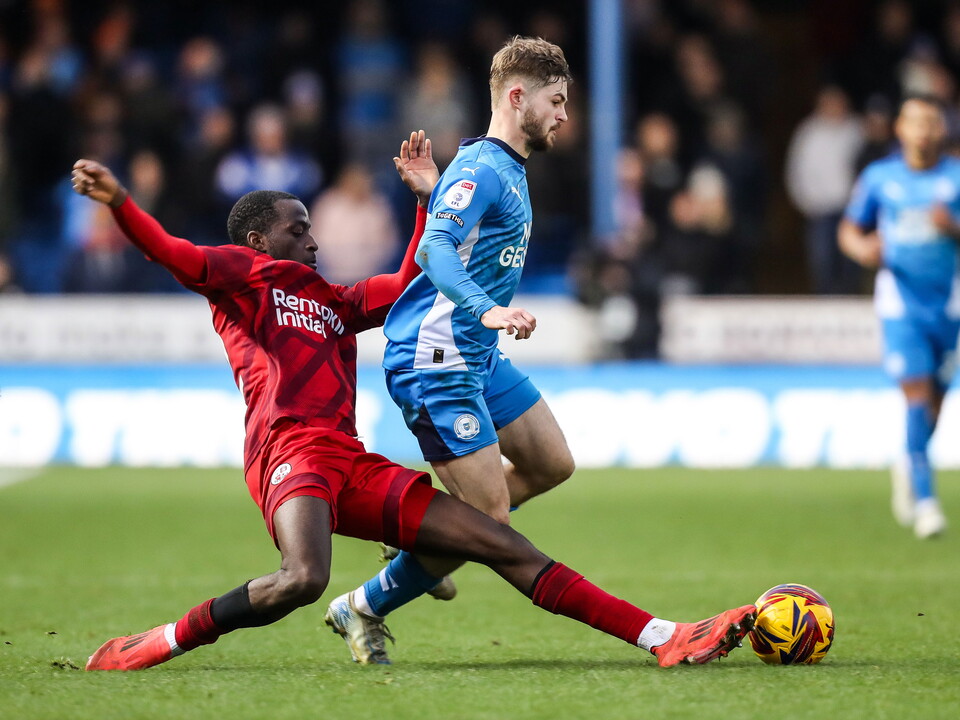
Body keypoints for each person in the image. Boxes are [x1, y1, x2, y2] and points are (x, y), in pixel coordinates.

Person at [71, 134, 755, 672]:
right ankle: (162, 640)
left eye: (310, 228)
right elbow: (170, 252)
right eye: (297, 229)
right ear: (258, 239)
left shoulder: (334, 301)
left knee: (498, 538)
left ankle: (662, 636)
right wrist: (121, 202)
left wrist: (426, 201)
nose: (312, 239)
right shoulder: (241, 276)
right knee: (303, 578)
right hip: (290, 455)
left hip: (350, 461)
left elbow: (407, 280)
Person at [327, 37, 580, 663]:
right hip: (436, 356)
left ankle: (424, 534)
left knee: (552, 463)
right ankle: (362, 605)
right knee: (489, 519)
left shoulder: (498, 169)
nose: (563, 115)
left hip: (476, 353)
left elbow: (460, 229)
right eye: (555, 101)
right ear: (517, 97)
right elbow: (435, 250)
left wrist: (434, 192)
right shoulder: (483, 169)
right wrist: (487, 308)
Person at [839, 95, 960, 539]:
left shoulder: (956, 177)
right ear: (900, 128)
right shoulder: (880, 177)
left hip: (948, 303)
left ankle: (909, 460)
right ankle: (927, 502)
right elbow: (850, 228)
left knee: (936, 403)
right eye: (915, 122)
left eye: (930, 122)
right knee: (916, 393)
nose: (923, 131)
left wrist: (953, 228)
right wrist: (862, 249)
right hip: (900, 302)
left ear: (941, 129)